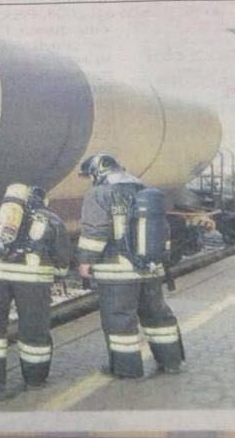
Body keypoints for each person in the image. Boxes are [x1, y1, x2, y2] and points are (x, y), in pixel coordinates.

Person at [76, 153, 184, 379]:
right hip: (150, 268)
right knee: (158, 316)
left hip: (117, 272)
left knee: (120, 319)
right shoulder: (144, 191)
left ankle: (127, 370)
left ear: (98, 172)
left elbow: (95, 232)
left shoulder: (99, 194)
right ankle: (171, 361)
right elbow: (163, 229)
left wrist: (85, 262)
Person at [0, 183, 72, 399]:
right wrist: (56, 272)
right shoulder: (51, 220)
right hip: (33, 283)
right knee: (34, 330)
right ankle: (35, 381)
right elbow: (63, 261)